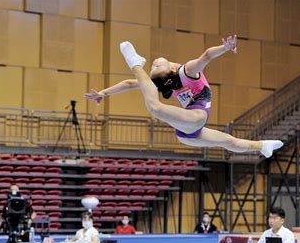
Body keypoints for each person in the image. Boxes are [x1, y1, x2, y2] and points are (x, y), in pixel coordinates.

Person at [84, 35, 283, 158]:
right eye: (154, 66)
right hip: (194, 121)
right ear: (170, 69)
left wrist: (225, 48)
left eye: (153, 66)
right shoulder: (185, 71)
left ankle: (262, 146)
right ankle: (135, 63)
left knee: (229, 142)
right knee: (155, 108)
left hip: (189, 130)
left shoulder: (183, 73)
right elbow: (206, 55)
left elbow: (206, 56)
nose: (154, 63)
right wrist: (104, 92)